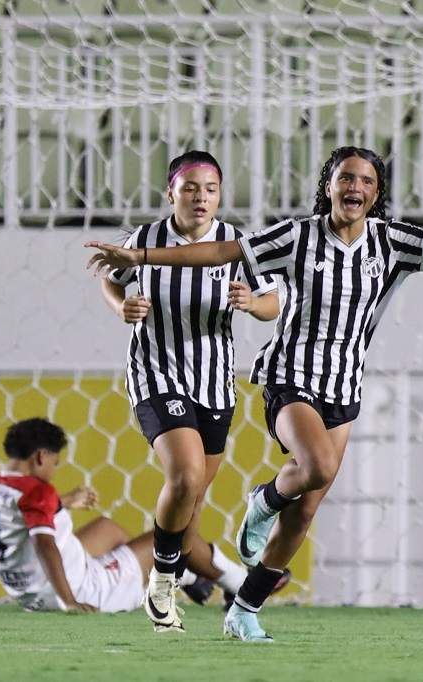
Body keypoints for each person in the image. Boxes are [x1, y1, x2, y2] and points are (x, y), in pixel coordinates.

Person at [87, 128, 423, 642]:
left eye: (365, 179)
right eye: (344, 177)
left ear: (376, 193)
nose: (354, 186)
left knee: (308, 506)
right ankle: (258, 504)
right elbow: (220, 254)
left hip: (340, 387)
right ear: (329, 186)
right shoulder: (297, 235)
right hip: (288, 377)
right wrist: (140, 262)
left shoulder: (391, 241)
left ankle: (244, 609)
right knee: (315, 467)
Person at [98, 150, 284, 633]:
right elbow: (110, 278)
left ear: (220, 195)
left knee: (192, 511)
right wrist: (121, 307)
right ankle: (162, 582)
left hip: (214, 384)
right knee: (185, 475)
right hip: (156, 373)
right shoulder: (146, 240)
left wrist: (252, 302)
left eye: (211, 189)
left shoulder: (237, 244)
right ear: (171, 193)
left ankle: (214, 578)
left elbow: (274, 303)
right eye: (191, 188)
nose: (201, 197)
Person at [0, 418, 289, 619]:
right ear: (41, 456)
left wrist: (66, 501)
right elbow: (45, 544)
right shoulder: (39, 491)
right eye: (55, 464)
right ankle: (241, 583)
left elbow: (25, 518)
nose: (54, 472)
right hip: (79, 589)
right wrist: (70, 602)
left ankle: (186, 577)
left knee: (106, 528)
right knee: (174, 536)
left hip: (30, 592)